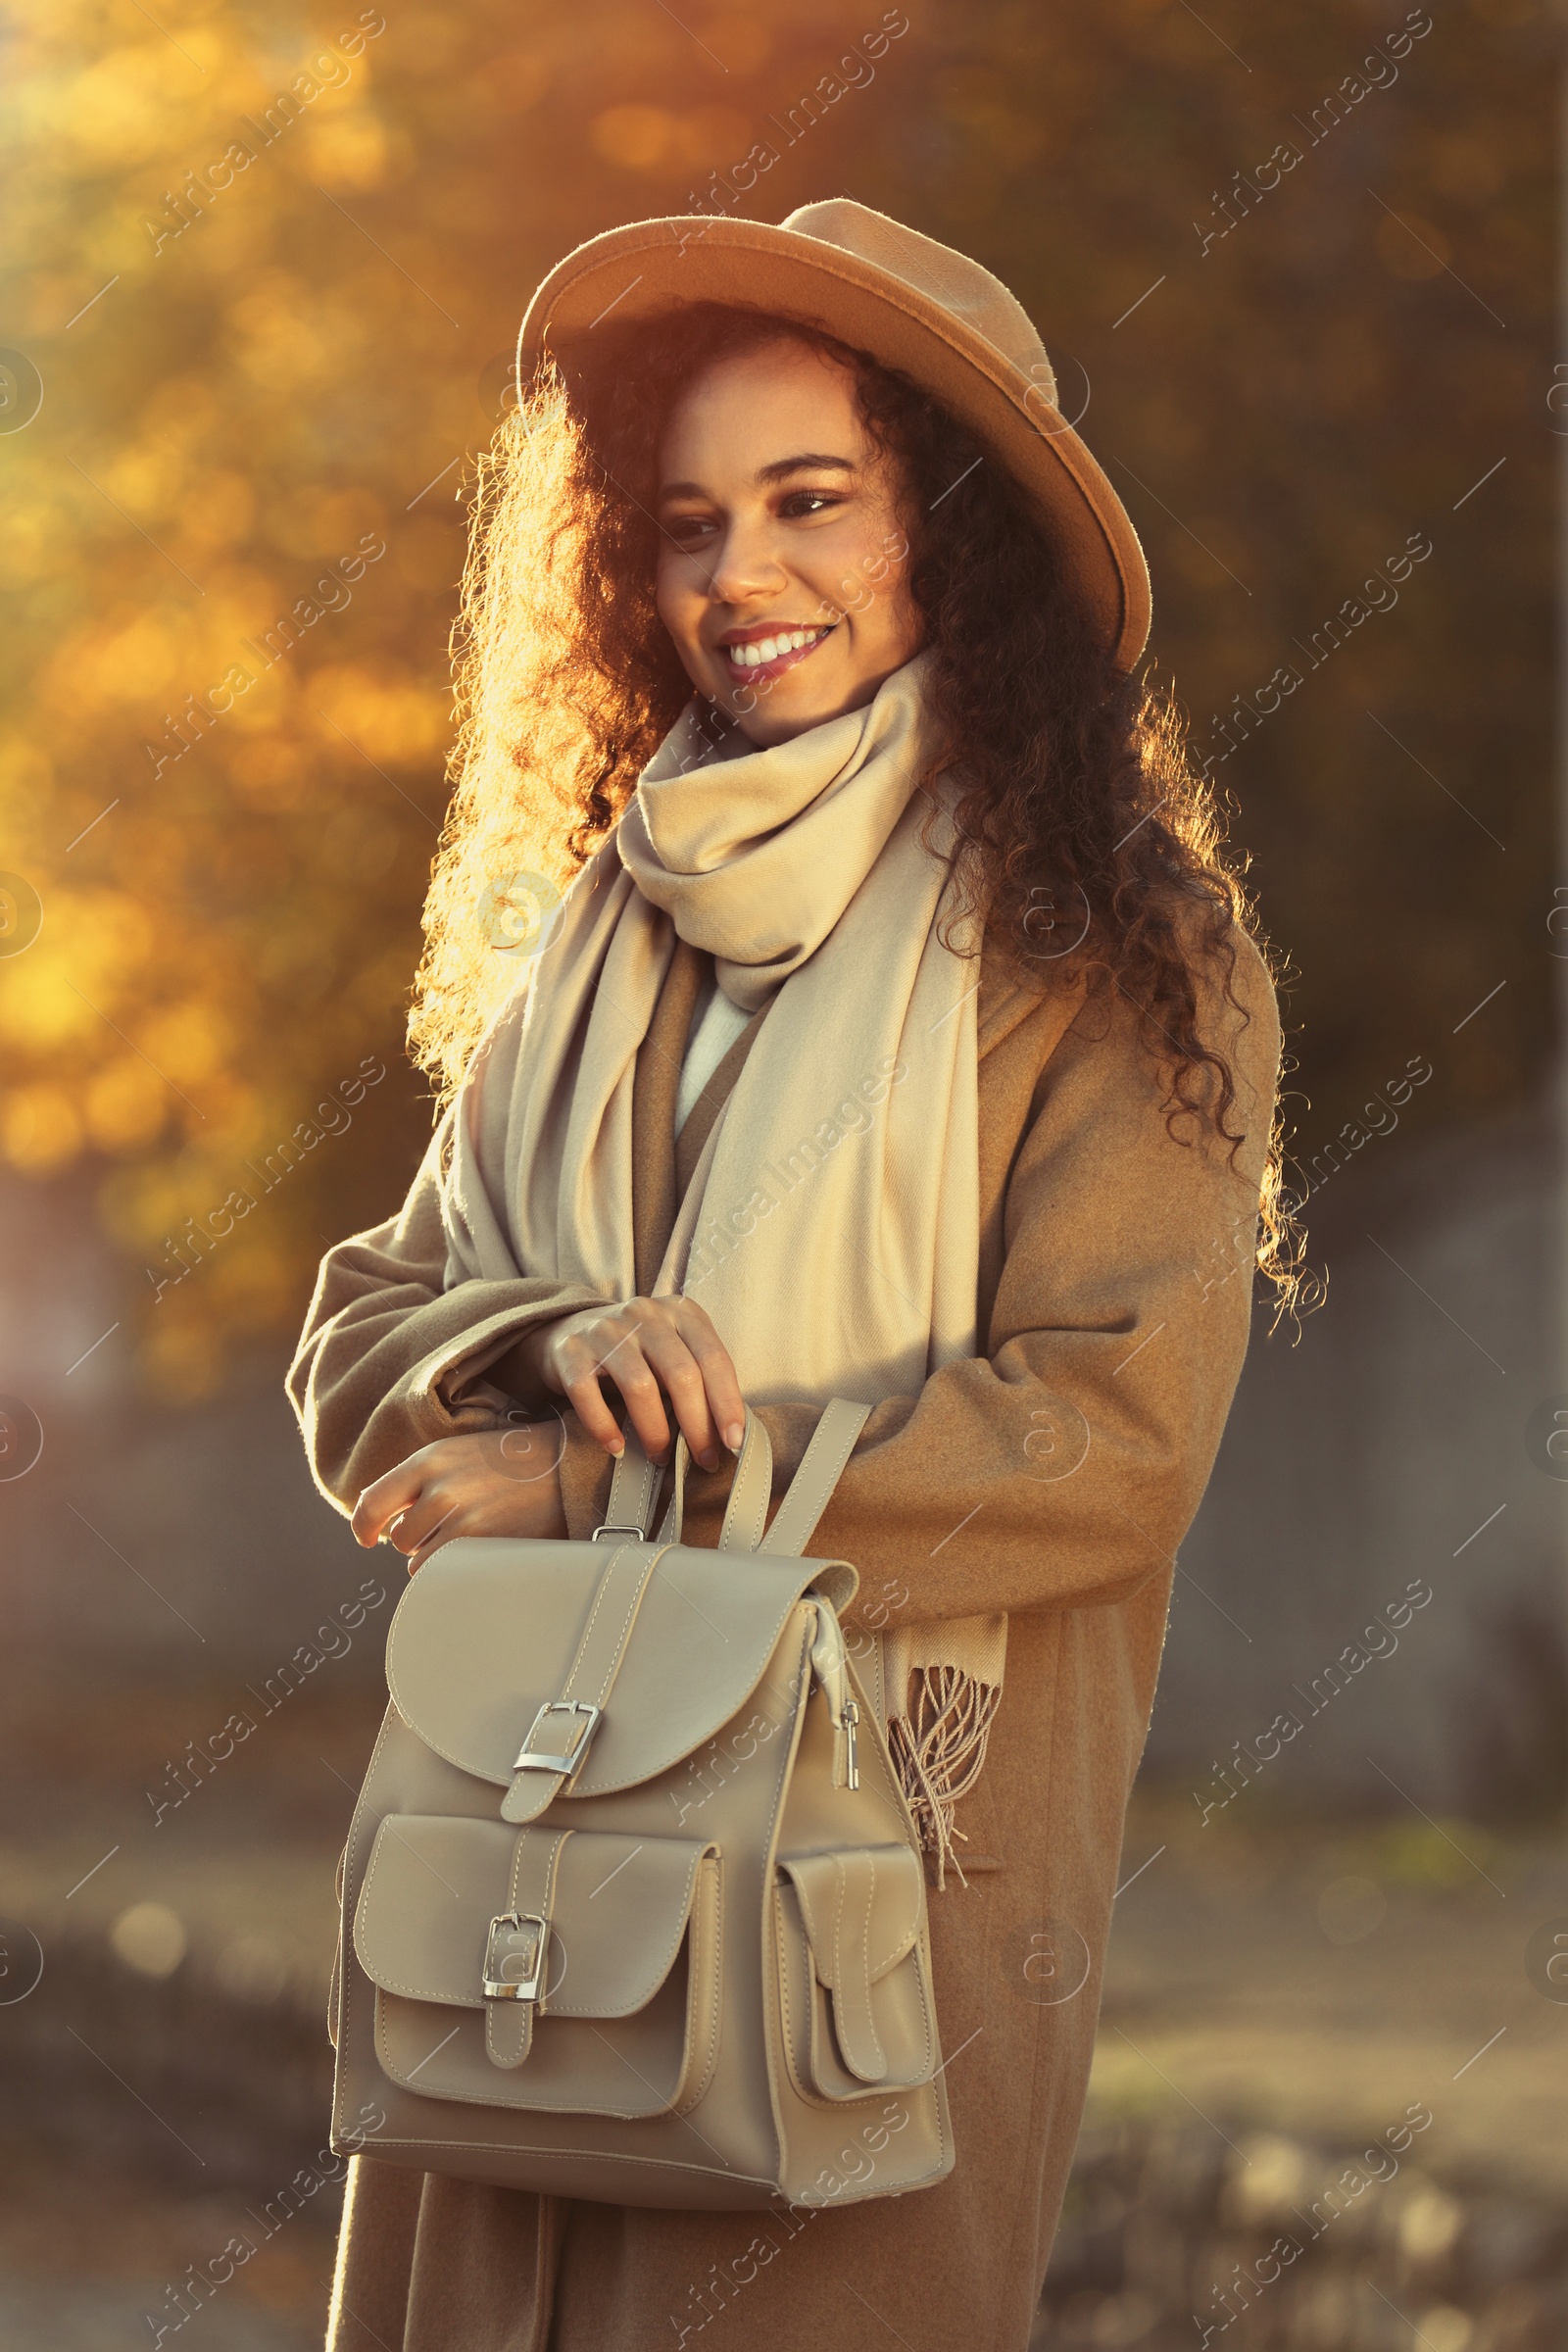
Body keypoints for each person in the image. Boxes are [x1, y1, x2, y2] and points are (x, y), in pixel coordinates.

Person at [289, 198, 1286, 2352]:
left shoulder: (1110, 949)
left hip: (873, 1913)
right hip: (523, 1879)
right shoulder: (593, 930)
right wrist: (547, 1344)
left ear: (949, 533)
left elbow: (1108, 1440)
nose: (737, 576)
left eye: (809, 502)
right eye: (684, 524)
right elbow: (363, 1332)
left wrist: (603, 1488)